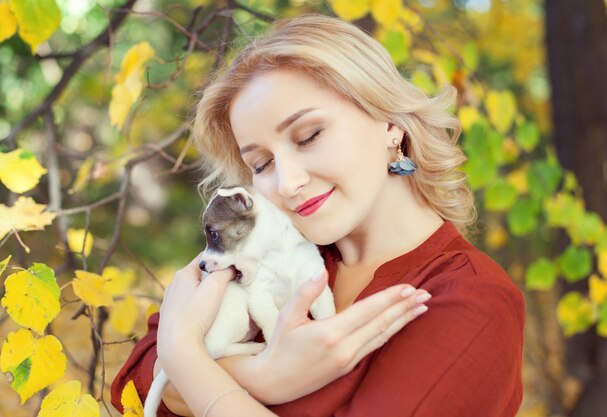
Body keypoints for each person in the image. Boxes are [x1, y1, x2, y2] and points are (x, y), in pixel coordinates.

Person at [111, 13, 525, 417]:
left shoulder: (472, 298)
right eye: (261, 164)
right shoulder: (279, 253)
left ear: (390, 123)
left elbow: (169, 359)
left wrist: (185, 356)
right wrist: (263, 375)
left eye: (308, 136)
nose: (288, 183)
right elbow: (136, 380)